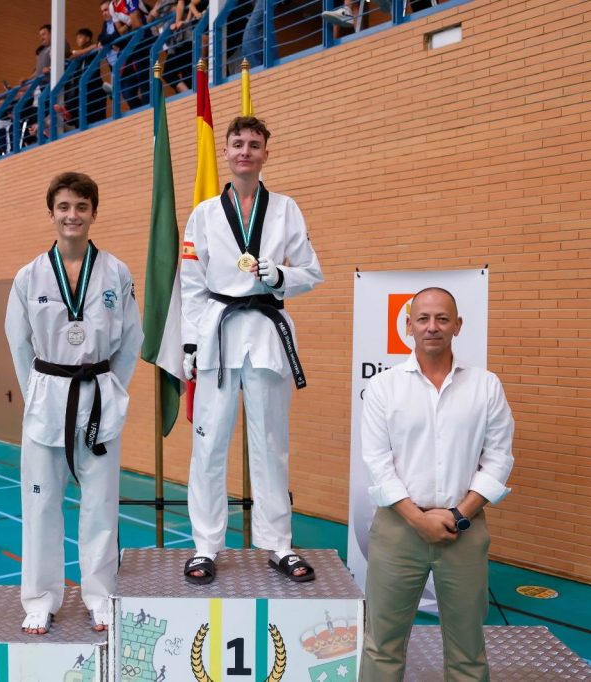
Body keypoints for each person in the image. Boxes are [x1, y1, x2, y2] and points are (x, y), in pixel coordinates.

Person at [181, 116, 323, 585]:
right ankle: (205, 546)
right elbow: (191, 283)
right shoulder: (204, 213)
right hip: (218, 334)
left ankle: (278, 544)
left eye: (254, 144)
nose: (245, 151)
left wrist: (280, 276)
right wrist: (189, 342)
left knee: (271, 445)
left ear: (266, 153)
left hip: (266, 333)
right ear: (226, 151)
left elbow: (311, 272)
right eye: (238, 143)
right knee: (208, 446)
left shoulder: (285, 209)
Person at [5, 172, 142, 635]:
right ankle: (40, 599)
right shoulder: (29, 276)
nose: (72, 215)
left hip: (99, 394)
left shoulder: (116, 272)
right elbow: (18, 341)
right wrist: (37, 393)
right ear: (51, 213)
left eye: (81, 206)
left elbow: (131, 339)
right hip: (48, 396)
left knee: (100, 505)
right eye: (64, 207)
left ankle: (100, 596)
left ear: (93, 213)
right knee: (41, 505)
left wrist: (111, 389)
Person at [360, 287, 515, 681]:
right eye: (424, 319)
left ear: (457, 326)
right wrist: (417, 519)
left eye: (442, 319)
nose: (433, 327)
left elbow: (499, 459)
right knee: (382, 646)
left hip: (464, 529)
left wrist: (459, 514)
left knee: (467, 651)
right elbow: (377, 463)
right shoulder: (383, 387)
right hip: (398, 530)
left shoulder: (485, 386)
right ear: (408, 325)